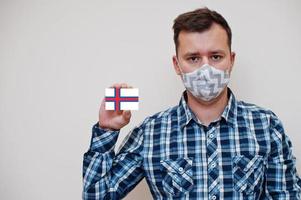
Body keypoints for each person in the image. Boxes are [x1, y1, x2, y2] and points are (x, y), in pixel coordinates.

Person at [82, 7, 301, 199]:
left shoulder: (266, 125)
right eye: (193, 58)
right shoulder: (150, 133)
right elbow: (97, 195)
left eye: (216, 56)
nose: (206, 69)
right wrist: (107, 130)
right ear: (177, 65)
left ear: (231, 60)